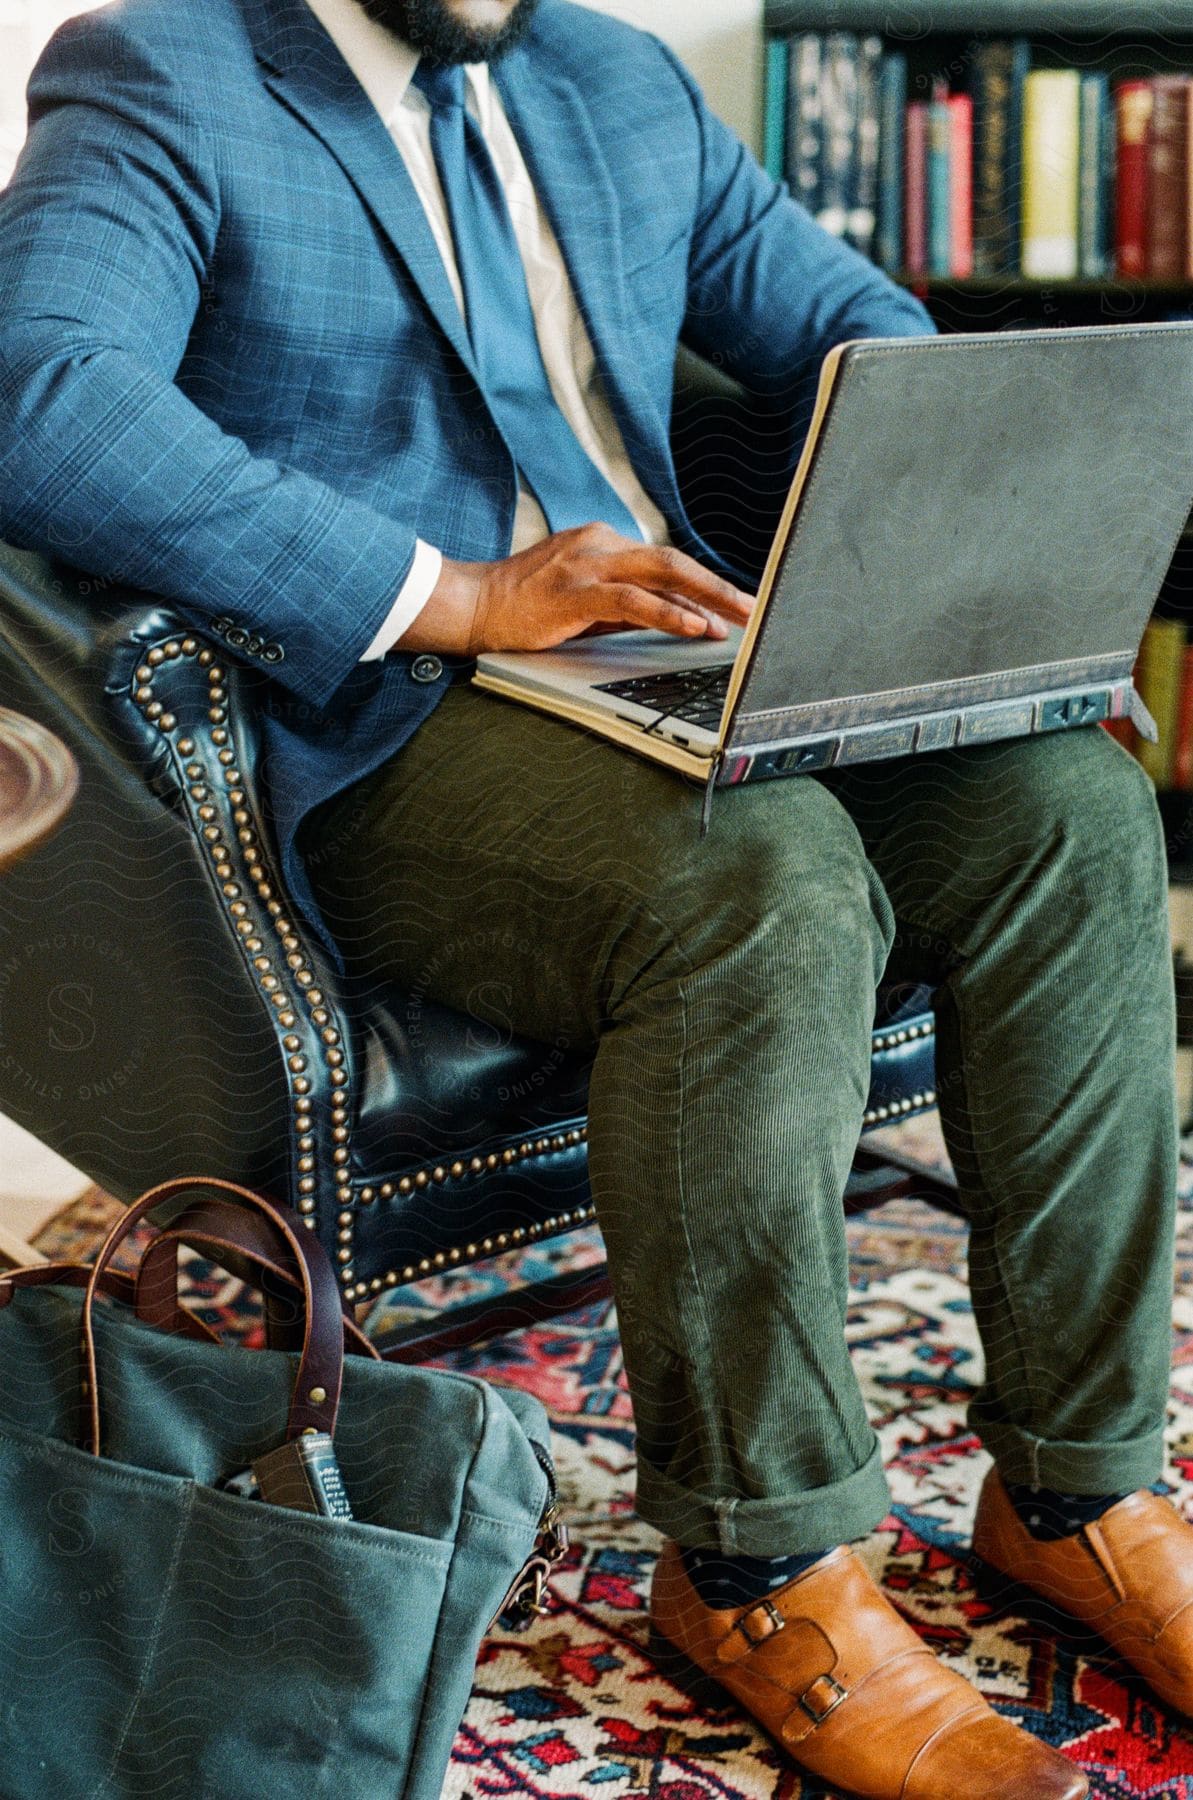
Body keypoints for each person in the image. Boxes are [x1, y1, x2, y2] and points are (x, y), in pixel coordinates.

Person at [0, 0, 1185, 1793]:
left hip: (673, 660)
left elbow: (858, 326)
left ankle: (1082, 1486)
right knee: (762, 880)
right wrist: (455, 592)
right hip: (391, 714)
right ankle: (761, 1565)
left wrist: (980, 584)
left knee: (1073, 810)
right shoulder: (169, 68)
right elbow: (42, 393)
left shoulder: (612, 83)